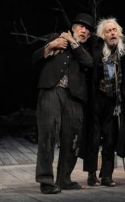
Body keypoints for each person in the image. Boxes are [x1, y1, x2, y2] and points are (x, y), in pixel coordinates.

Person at [32, 13, 95, 194]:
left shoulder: (84, 51)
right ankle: (46, 180)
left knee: (73, 139)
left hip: (75, 98)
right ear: (73, 27)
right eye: (82, 27)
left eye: (88, 31)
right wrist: (52, 45)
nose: (85, 31)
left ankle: (64, 179)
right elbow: (34, 58)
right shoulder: (55, 39)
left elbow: (88, 63)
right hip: (52, 90)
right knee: (48, 135)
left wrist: (72, 42)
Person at [81, 17, 125, 187]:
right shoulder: (97, 50)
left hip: (114, 101)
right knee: (94, 138)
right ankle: (91, 174)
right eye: (108, 31)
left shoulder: (124, 51)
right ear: (103, 35)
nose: (112, 33)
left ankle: (107, 175)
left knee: (110, 139)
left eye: (114, 30)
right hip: (97, 99)